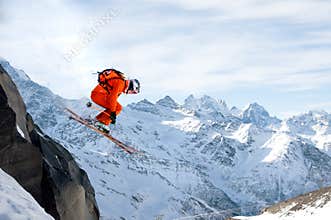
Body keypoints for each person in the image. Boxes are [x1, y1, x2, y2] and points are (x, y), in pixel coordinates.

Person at [88, 69, 140, 133]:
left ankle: (98, 120)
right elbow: (112, 98)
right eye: (132, 92)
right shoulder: (120, 83)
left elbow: (113, 100)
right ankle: (101, 122)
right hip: (99, 95)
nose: (129, 93)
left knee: (115, 107)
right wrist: (113, 112)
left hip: (98, 94)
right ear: (131, 87)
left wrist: (111, 115)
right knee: (118, 107)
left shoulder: (121, 85)